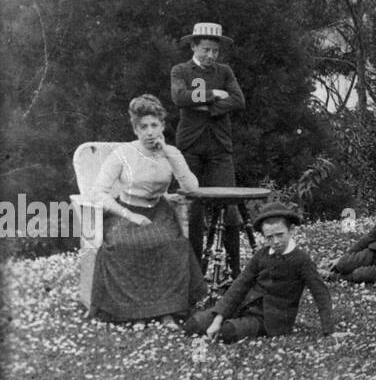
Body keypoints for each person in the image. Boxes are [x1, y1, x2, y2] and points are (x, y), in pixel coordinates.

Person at [88, 94, 206, 323]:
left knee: (172, 244)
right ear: (136, 130)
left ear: (162, 125)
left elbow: (191, 188)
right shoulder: (122, 154)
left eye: (154, 125)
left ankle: (166, 312)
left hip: (159, 211)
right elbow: (98, 191)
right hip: (125, 211)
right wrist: (129, 214)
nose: (150, 132)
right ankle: (134, 313)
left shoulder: (171, 153)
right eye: (144, 127)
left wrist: (171, 155)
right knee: (124, 245)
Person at [183, 202, 334, 343]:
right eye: (269, 237)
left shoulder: (302, 260)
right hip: (244, 307)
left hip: (270, 320)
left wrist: (329, 331)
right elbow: (239, 285)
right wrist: (218, 319)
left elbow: (321, 294)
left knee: (227, 333)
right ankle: (221, 323)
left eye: (280, 234)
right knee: (193, 325)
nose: (275, 241)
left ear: (290, 231)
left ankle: (229, 328)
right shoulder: (261, 255)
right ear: (263, 236)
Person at [170, 21, 245, 274]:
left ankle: (235, 273)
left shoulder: (225, 72)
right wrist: (214, 94)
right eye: (206, 50)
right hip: (190, 149)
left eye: (215, 50)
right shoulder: (180, 70)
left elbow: (238, 100)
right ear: (193, 46)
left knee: (231, 211)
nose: (211, 55)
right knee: (194, 212)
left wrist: (204, 105)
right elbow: (180, 97)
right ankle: (194, 274)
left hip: (220, 150)